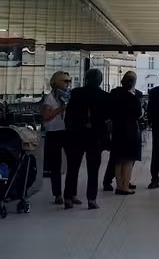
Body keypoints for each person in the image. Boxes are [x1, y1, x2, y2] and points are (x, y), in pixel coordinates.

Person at [63, 68, 109, 210]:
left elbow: (68, 114)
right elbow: (108, 117)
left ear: (86, 79)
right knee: (93, 169)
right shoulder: (104, 96)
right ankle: (91, 199)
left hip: (76, 134)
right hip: (94, 136)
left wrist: (71, 128)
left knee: (73, 167)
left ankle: (68, 197)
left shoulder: (76, 93)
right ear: (100, 81)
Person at [103, 83, 143, 192]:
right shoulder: (132, 97)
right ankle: (122, 184)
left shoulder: (115, 94)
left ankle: (121, 184)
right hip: (128, 130)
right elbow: (138, 114)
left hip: (118, 130)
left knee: (118, 159)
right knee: (126, 159)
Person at [41, 71, 71, 204]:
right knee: (55, 165)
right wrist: (61, 108)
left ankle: (70, 193)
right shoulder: (50, 98)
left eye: (68, 81)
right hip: (53, 132)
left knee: (72, 163)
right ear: (56, 82)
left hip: (67, 131)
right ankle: (57, 194)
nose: (67, 83)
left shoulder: (69, 96)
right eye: (65, 81)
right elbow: (46, 116)